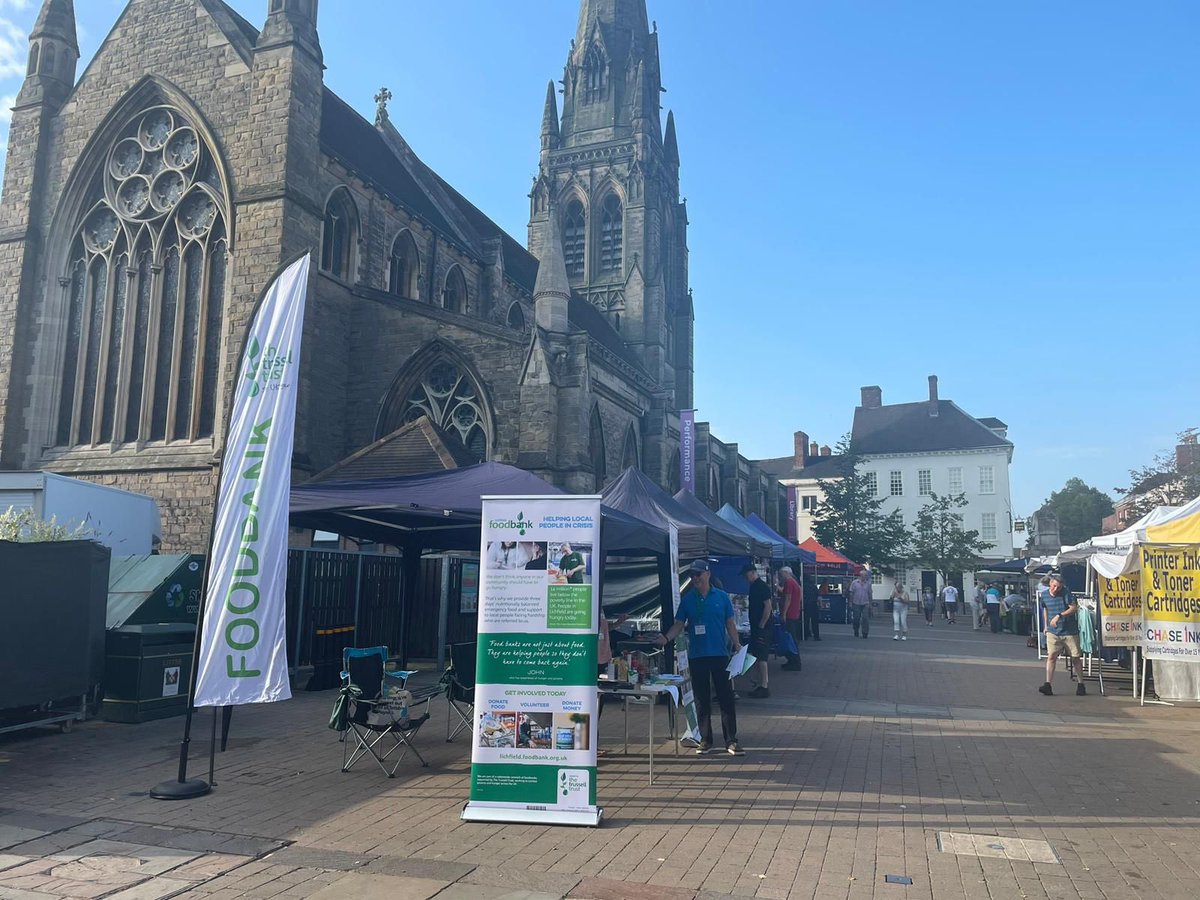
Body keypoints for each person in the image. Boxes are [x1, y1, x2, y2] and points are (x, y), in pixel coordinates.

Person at [654, 559, 744, 755]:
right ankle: (705, 739)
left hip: (720, 654)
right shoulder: (688, 600)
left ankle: (732, 740)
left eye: (698, 575)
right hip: (698, 656)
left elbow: (730, 622)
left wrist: (736, 643)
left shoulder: (721, 597)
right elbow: (679, 624)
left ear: (707, 574)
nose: (695, 578)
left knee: (726, 698)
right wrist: (667, 638)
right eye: (692, 575)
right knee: (701, 699)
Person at [1038, 571, 1085, 696]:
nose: (1056, 589)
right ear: (1050, 584)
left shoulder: (1066, 593)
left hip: (1069, 631)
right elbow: (1045, 609)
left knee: (1075, 657)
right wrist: (1046, 626)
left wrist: (1060, 615)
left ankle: (1081, 683)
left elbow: (1073, 608)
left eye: (1058, 587)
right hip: (1053, 631)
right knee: (1051, 656)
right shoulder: (1044, 595)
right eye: (1054, 586)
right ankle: (1048, 684)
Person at [743, 563, 772, 698]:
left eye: (747, 575)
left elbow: (768, 607)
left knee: (761, 656)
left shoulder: (762, 587)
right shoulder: (755, 586)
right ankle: (758, 681)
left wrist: (761, 624)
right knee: (757, 655)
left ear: (753, 572)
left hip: (761, 628)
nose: (746, 578)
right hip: (756, 627)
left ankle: (764, 685)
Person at [777, 567, 803, 670]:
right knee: (792, 638)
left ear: (786, 573)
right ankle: (792, 660)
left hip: (790, 614)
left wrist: (784, 613)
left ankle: (795, 662)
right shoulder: (794, 583)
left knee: (790, 639)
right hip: (794, 613)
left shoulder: (788, 582)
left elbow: (788, 598)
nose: (780, 575)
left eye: (781, 573)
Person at [849, 570, 872, 638]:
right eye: (865, 575)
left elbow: (870, 594)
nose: (866, 577)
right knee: (856, 619)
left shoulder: (868, 583)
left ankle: (865, 633)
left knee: (865, 618)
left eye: (866, 575)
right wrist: (850, 602)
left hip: (865, 603)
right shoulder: (854, 583)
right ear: (861, 575)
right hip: (856, 603)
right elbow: (851, 593)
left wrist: (870, 603)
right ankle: (856, 630)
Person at [802, 572, 821, 641]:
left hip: (806, 604)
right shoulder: (814, 586)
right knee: (815, 621)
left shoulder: (803, 586)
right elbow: (818, 596)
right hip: (814, 604)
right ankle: (816, 636)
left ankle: (805, 635)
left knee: (806, 621)